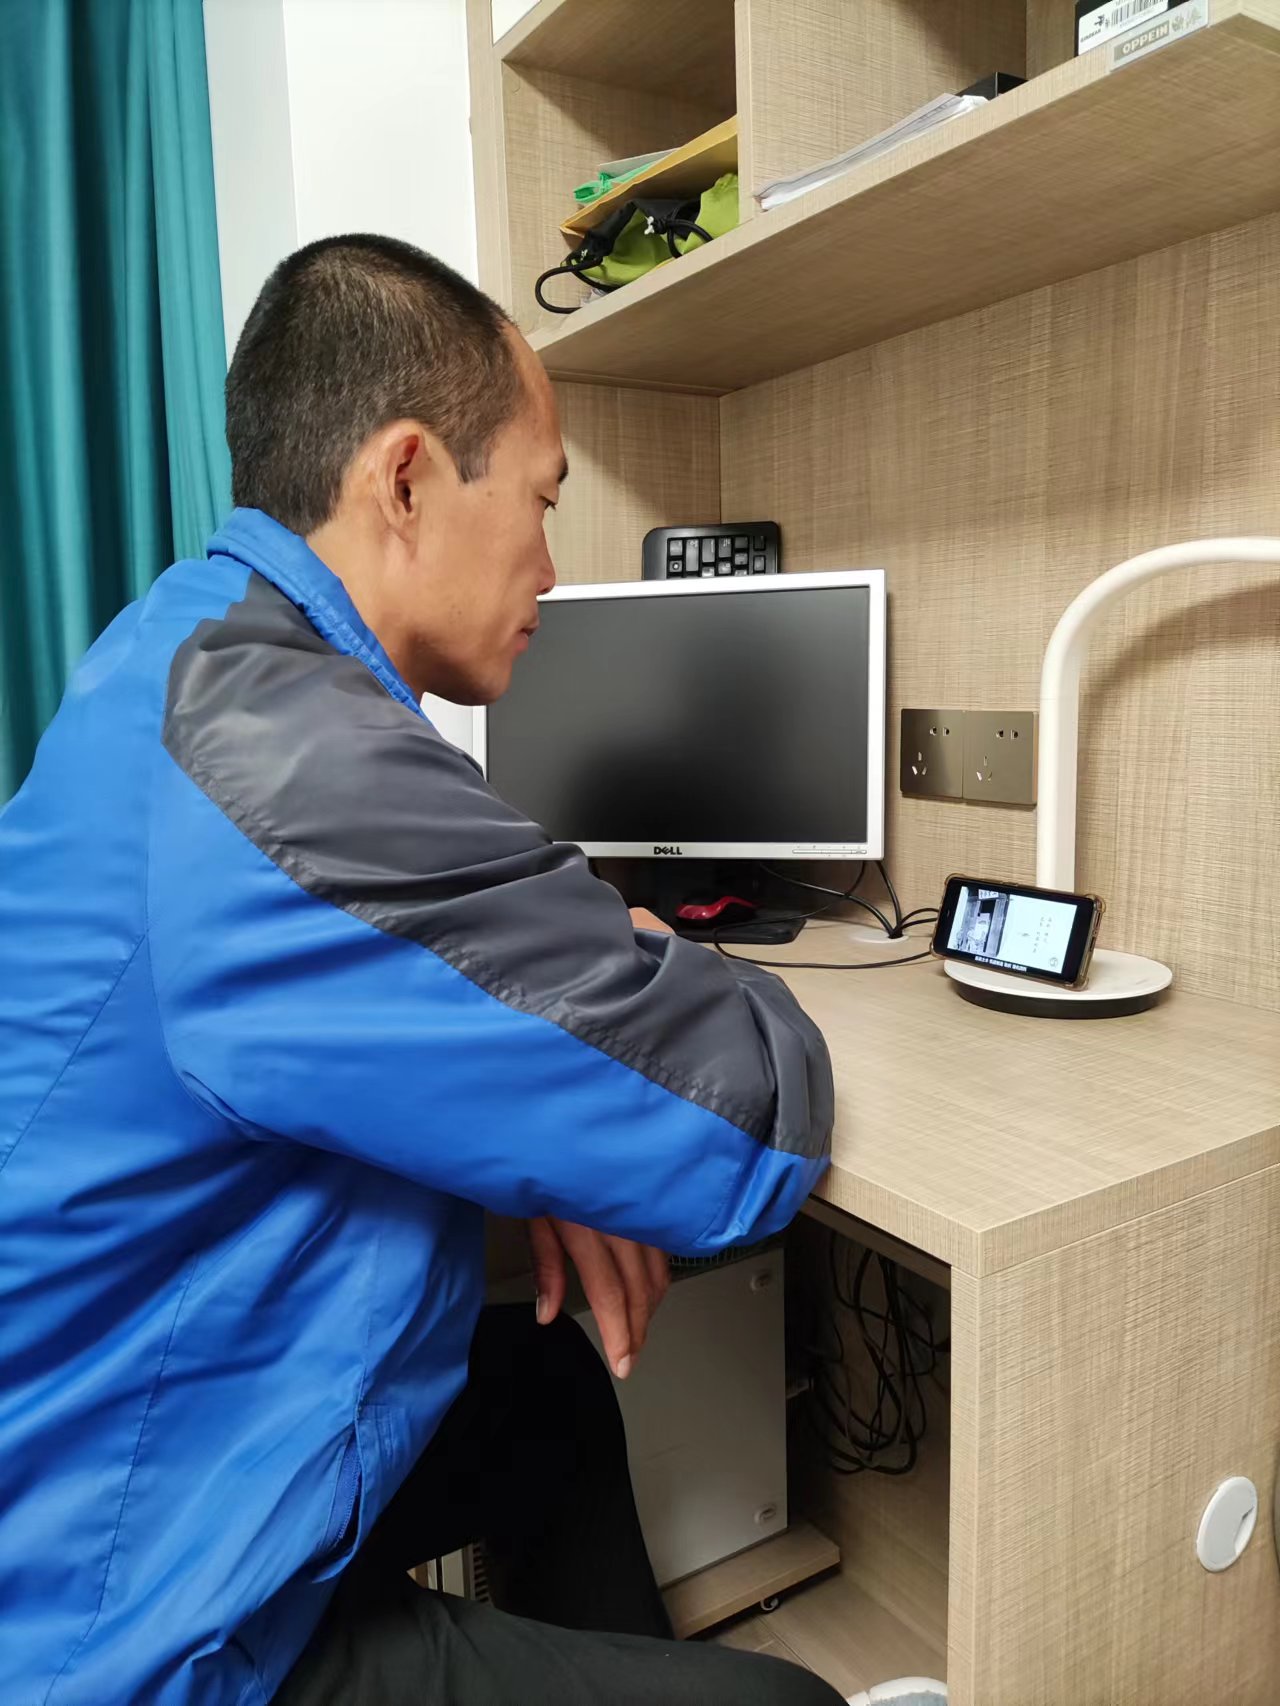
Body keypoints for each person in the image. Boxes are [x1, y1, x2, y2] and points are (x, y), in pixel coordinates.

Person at [0, 234, 855, 1706]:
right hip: (121, 1621)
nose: (550, 564)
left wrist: (548, 1121)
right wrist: (680, 979)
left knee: (544, 1393)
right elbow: (746, 1125)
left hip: (110, 1445)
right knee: (789, 1701)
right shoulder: (296, 760)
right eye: (541, 499)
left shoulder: (183, 652)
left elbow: (366, 1016)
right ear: (405, 479)